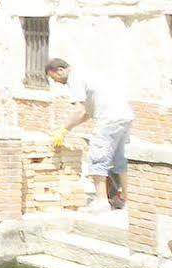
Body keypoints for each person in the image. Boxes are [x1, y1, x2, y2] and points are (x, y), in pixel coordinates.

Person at [47, 56, 132, 212]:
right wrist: (68, 128)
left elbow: (79, 110)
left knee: (97, 158)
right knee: (119, 159)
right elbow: (87, 113)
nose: (57, 82)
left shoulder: (74, 78)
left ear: (61, 70)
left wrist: (63, 130)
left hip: (109, 119)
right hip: (124, 116)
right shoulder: (87, 72)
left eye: (55, 78)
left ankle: (101, 201)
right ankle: (126, 198)